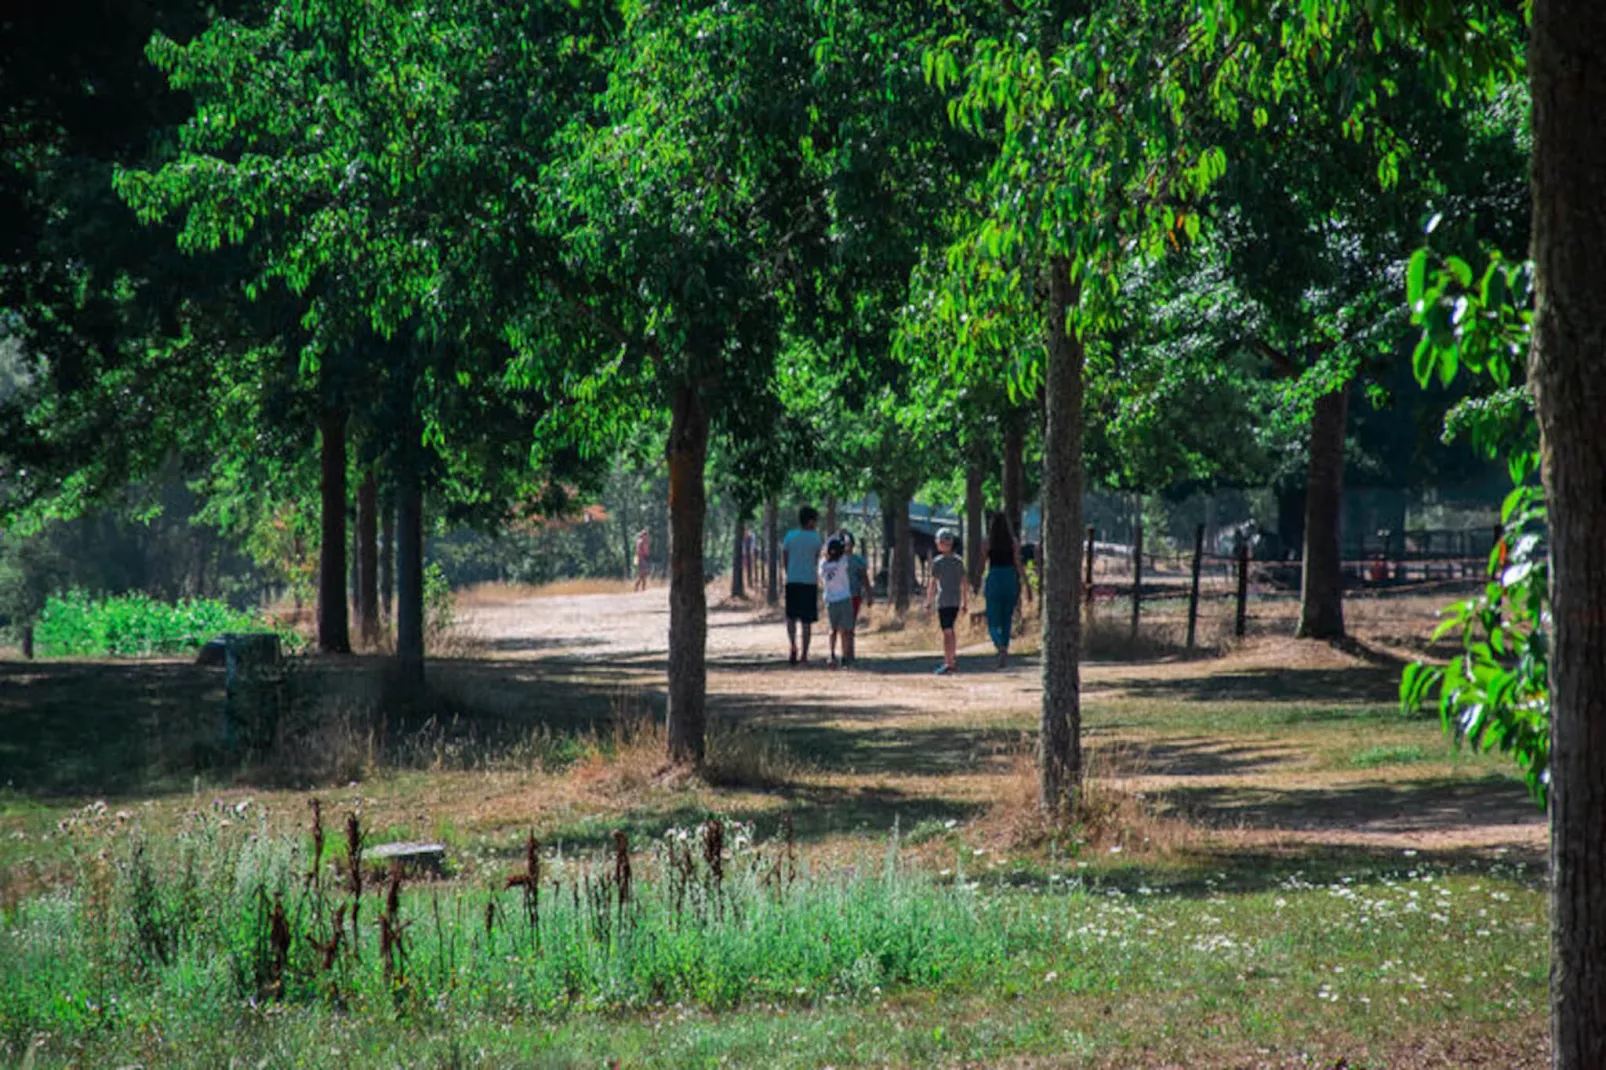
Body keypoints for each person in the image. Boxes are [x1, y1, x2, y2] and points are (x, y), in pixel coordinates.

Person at [781, 506, 823, 665]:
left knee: (791, 617)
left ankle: (792, 644)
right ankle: (804, 654)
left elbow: (785, 557)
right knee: (807, 620)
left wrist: (789, 571)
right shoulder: (815, 538)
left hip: (792, 580)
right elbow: (816, 559)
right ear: (810, 521)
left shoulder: (790, 536)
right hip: (809, 581)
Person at [984, 512, 1024, 668]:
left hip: (994, 578)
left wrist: (977, 578)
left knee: (992, 620)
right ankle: (1004, 649)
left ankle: (999, 645)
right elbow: (1018, 563)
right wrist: (1025, 584)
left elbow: (982, 563)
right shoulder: (1013, 542)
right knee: (1007, 619)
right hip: (1010, 578)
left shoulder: (987, 542)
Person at [926, 528, 967, 675]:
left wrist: (929, 601)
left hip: (943, 600)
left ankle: (948, 662)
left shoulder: (937, 562)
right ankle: (951, 659)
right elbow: (964, 583)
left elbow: (932, 583)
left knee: (947, 631)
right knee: (950, 630)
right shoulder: (959, 561)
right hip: (955, 600)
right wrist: (965, 602)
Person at [820, 537, 855, 667]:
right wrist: (844, 537)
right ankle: (845, 656)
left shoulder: (823, 564)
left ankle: (832, 654)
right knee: (844, 630)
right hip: (844, 598)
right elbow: (848, 549)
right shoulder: (842, 562)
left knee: (832, 629)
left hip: (830, 599)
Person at [841, 529, 871, 664]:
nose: (847, 545)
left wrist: (869, 594)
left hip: (854, 595)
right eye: (844, 543)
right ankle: (844, 654)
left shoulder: (858, 560)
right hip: (840, 597)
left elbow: (865, 578)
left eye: (849, 543)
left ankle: (850, 654)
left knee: (850, 626)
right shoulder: (837, 561)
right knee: (843, 627)